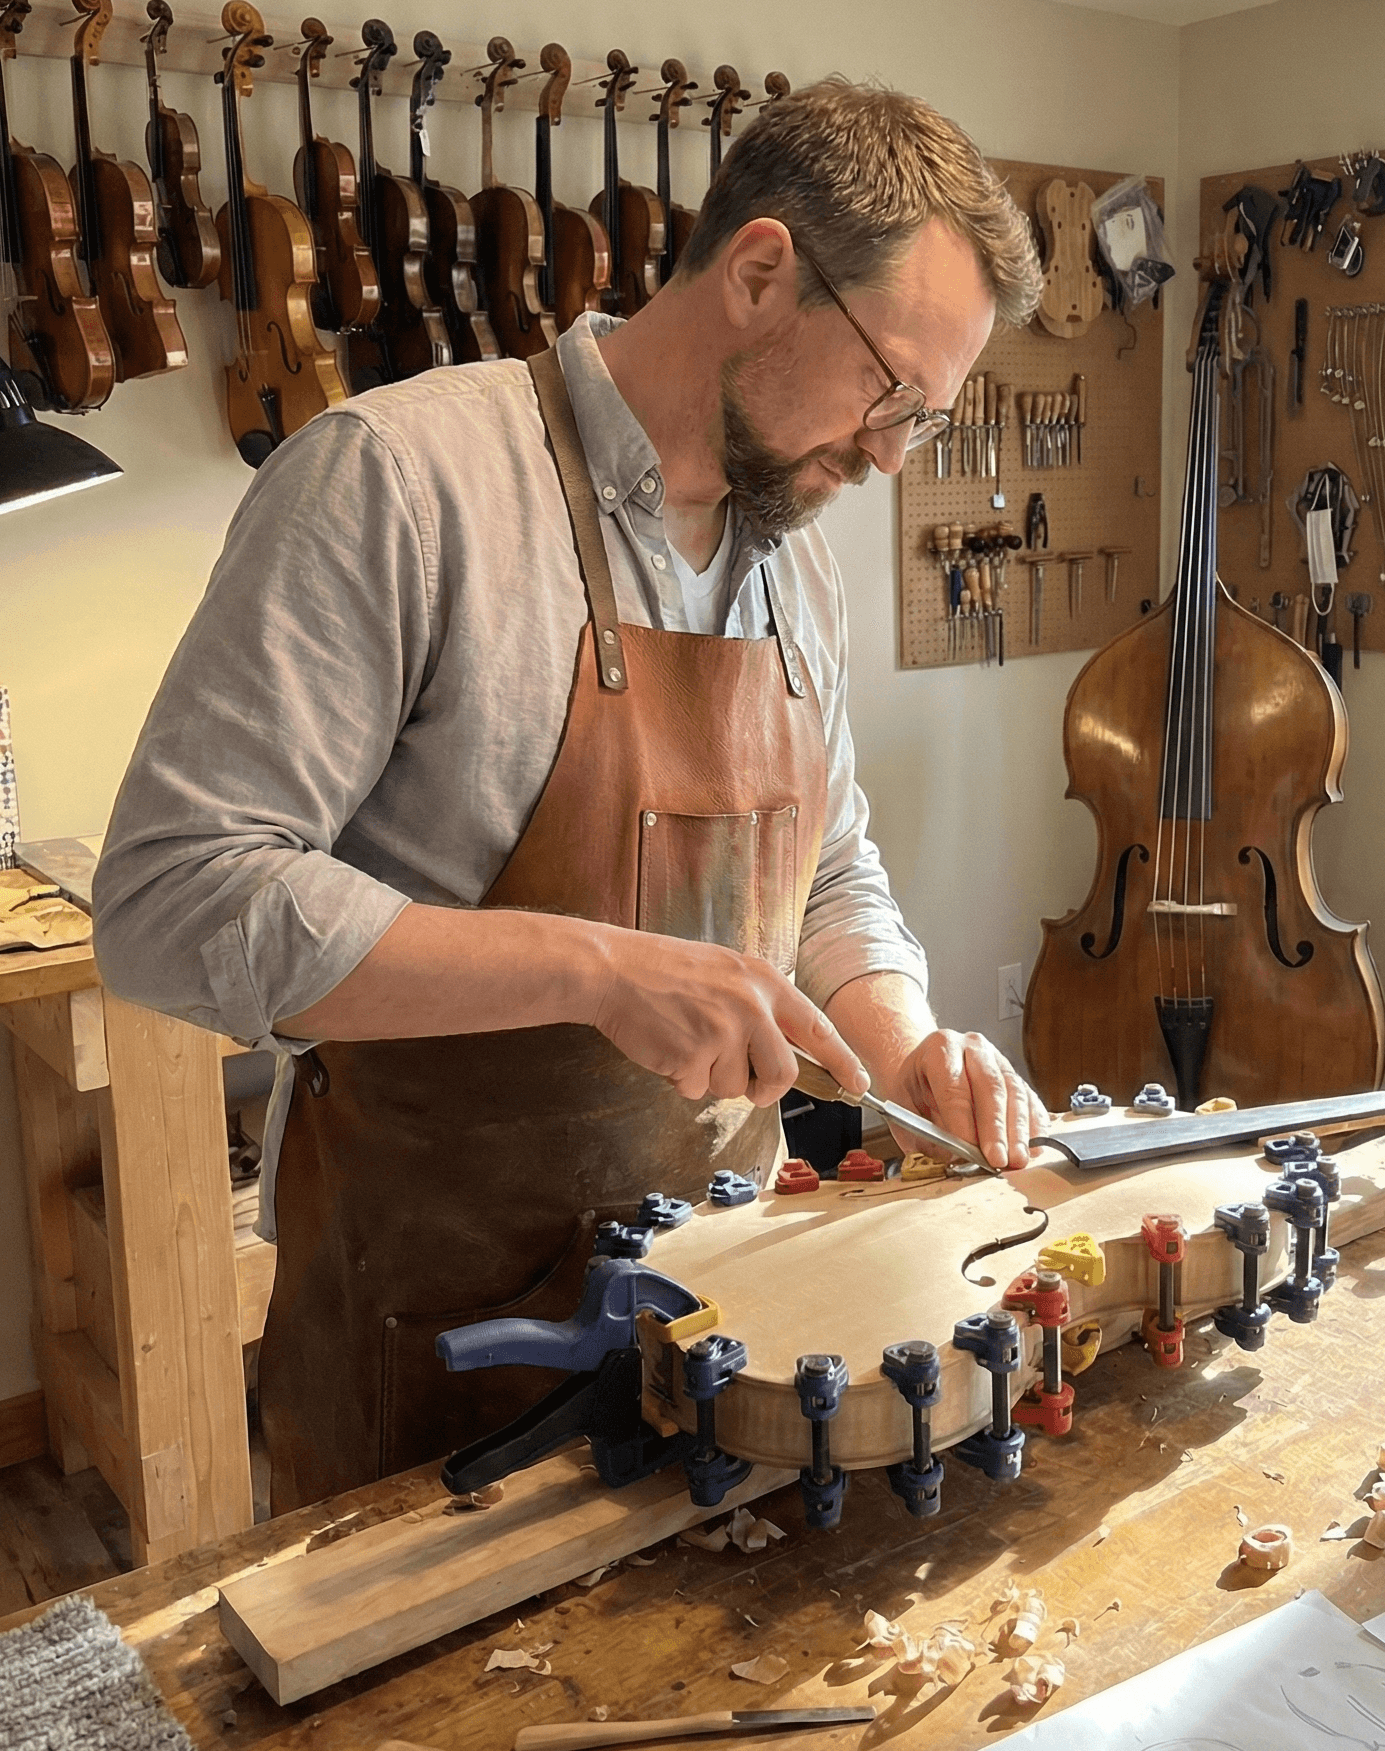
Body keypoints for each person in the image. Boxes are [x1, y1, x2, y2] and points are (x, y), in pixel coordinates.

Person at [93, 78, 1050, 1511]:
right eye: (890, 394)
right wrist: (595, 970)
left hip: (737, 1319)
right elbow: (173, 901)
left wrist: (900, 1042)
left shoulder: (793, 548)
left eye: (927, 417)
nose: (890, 455)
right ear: (762, 271)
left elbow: (830, 871)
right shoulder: (400, 484)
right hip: (440, 1339)